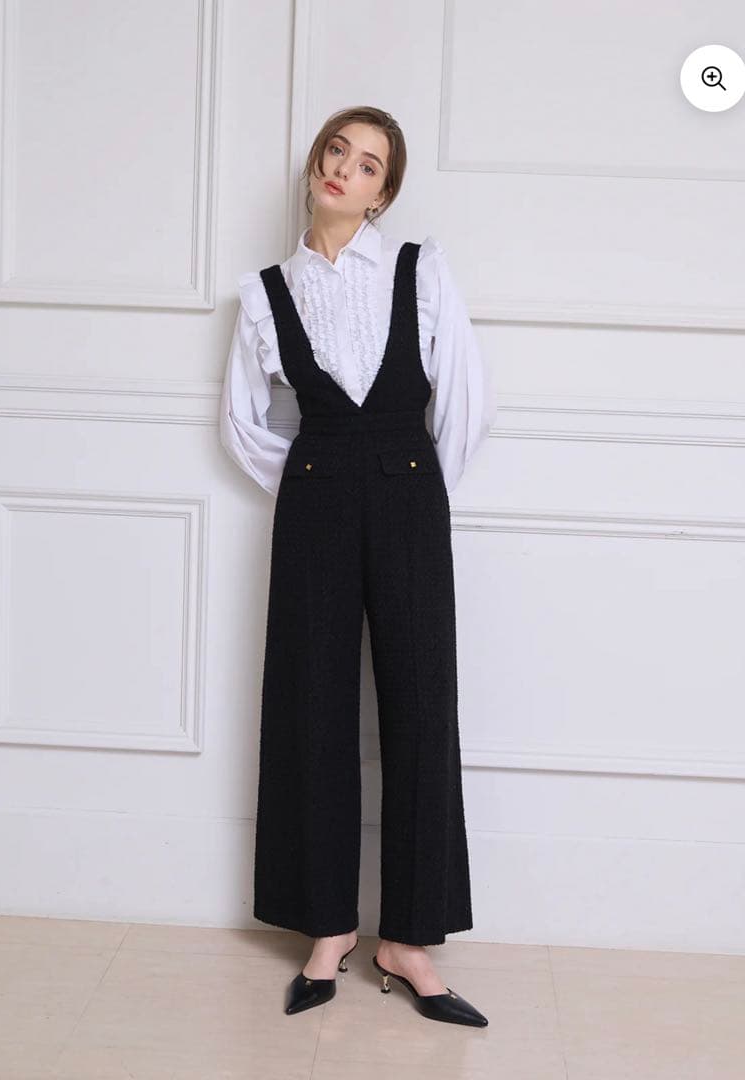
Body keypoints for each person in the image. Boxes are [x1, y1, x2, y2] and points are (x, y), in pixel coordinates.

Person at [219, 106, 494, 1026]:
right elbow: (243, 425)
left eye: (368, 164)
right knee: (313, 708)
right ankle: (328, 928)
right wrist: (321, 477)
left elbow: (465, 401)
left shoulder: (420, 270)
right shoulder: (265, 294)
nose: (345, 168)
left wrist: (404, 483)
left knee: (420, 707)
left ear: (383, 192)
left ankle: (407, 941)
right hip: (316, 505)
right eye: (336, 150)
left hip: (410, 496)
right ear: (315, 164)